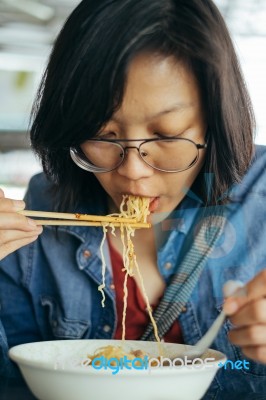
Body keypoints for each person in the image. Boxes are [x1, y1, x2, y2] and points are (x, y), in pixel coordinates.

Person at [1, 0, 266, 398]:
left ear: (216, 121)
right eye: (103, 136)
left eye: (165, 135)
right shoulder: (39, 211)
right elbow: (14, 384)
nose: (133, 171)